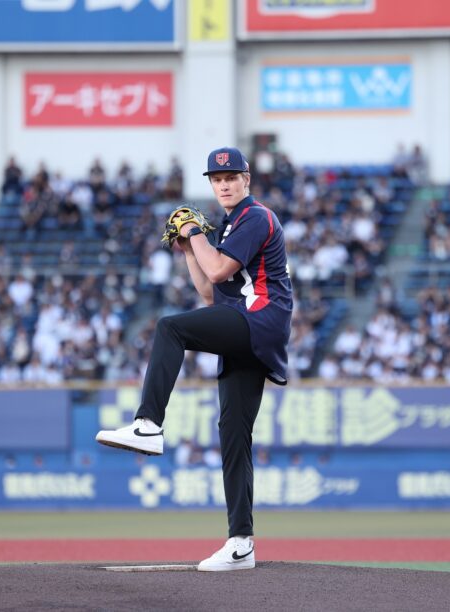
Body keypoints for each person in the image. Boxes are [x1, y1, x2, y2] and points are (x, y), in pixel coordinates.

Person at [96, 146, 293, 572]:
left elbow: (221, 271)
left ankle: (148, 424)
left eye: (231, 177)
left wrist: (194, 231)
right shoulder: (230, 225)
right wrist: (188, 248)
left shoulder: (254, 216)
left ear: (246, 181)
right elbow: (209, 293)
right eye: (216, 179)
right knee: (233, 435)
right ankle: (241, 543)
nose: (223, 184)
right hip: (248, 326)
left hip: (259, 321)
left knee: (170, 327)